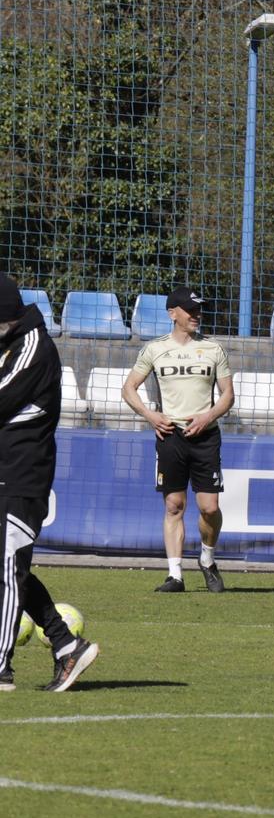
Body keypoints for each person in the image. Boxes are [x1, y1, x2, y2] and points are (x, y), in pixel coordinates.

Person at [0, 274, 99, 692]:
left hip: (21, 476)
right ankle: (65, 645)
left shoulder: (33, 348)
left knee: (6, 565)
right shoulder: (10, 345)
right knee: (14, 567)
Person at [121, 287, 233, 594]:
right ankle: (175, 576)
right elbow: (129, 388)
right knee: (174, 505)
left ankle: (207, 560)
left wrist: (207, 417)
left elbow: (228, 396)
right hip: (170, 435)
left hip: (205, 435)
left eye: (199, 310)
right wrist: (149, 415)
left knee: (209, 508)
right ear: (173, 314)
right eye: (190, 310)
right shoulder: (155, 349)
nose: (196, 315)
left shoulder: (213, 349)